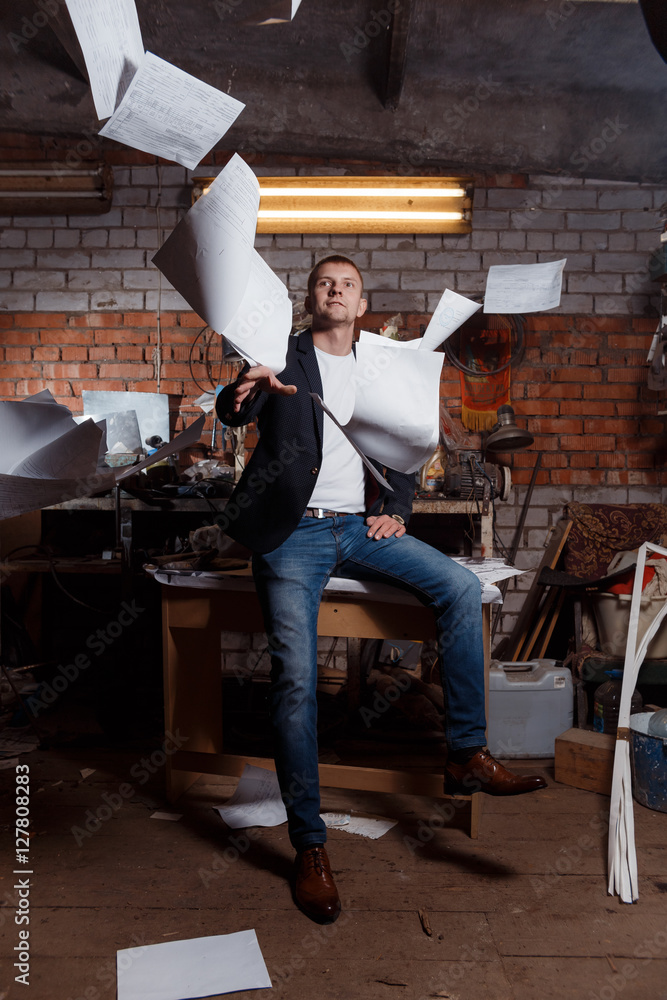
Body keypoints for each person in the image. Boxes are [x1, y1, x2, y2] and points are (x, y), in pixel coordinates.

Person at [215, 255, 546, 924]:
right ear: (309, 298)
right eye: (322, 283)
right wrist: (239, 395)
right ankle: (310, 847)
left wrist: (398, 501)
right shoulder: (281, 354)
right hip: (292, 535)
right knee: (297, 682)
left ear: (361, 302)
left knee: (458, 589)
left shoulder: (385, 363)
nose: (334, 292)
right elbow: (231, 410)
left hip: (357, 529)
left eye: (346, 284)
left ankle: (464, 753)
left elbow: (408, 443)